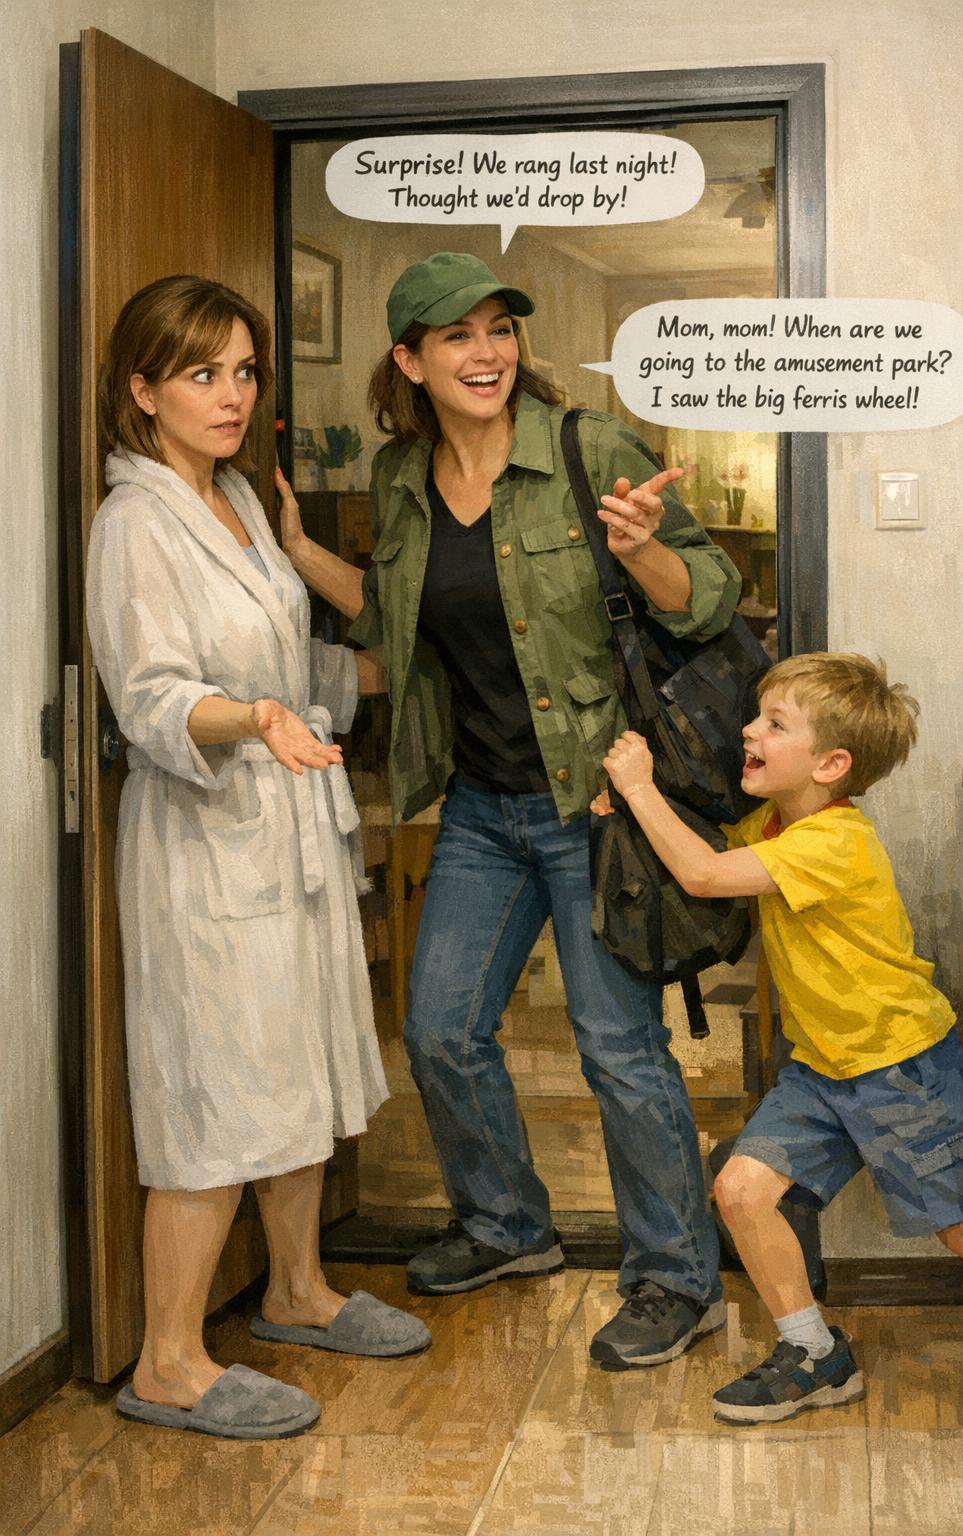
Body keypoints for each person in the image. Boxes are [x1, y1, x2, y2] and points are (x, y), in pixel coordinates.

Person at [278, 250, 742, 1370]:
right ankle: (507, 1227)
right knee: (439, 1030)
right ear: (410, 361)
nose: (486, 352)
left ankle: (676, 1280)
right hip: (483, 807)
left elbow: (709, 599)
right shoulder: (400, 475)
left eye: (499, 329)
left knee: (617, 1050)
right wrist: (294, 550)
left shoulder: (587, 448)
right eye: (458, 336)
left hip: (600, 806)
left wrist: (644, 552)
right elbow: (391, 620)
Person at [86, 274, 430, 1442]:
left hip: (287, 818)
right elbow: (149, 696)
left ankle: (295, 1290)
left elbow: (287, 660)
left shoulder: (237, 495)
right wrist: (256, 719)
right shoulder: (135, 522)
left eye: (243, 371)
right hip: (206, 838)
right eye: (203, 374)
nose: (233, 395)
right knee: (215, 1081)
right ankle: (168, 1363)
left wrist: (383, 675)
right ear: (143, 390)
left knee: (294, 1062)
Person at [598, 651, 963, 1420]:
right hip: (822, 1067)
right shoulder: (771, 824)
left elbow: (702, 874)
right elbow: (705, 843)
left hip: (899, 1068)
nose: (749, 731)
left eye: (774, 724)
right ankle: (815, 1355)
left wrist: (637, 787)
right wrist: (628, 811)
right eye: (757, 717)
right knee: (740, 1191)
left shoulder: (835, 842)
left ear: (831, 765)